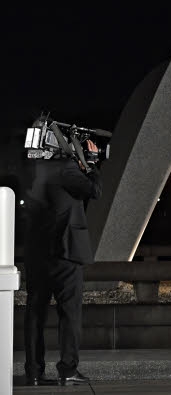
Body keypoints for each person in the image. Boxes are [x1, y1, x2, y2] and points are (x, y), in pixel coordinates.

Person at [24, 138, 102, 386]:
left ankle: (34, 372)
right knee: (69, 314)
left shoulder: (31, 166)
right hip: (65, 252)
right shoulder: (66, 168)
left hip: (36, 253)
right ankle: (67, 369)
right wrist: (90, 164)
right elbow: (94, 191)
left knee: (35, 313)